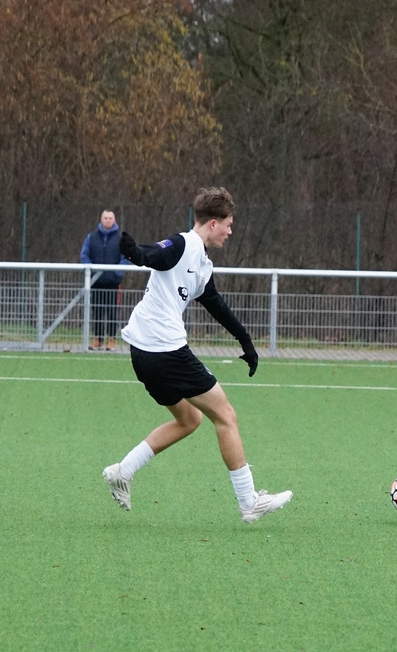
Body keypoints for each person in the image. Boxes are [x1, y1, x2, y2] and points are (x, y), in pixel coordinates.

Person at [102, 187, 292, 524]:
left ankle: (122, 471)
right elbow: (154, 254)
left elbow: (216, 304)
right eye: (228, 225)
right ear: (213, 223)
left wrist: (245, 341)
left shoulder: (202, 264)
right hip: (165, 351)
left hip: (144, 353)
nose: (230, 231)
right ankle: (249, 501)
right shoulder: (183, 244)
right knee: (226, 416)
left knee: (189, 420)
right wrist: (135, 253)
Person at [80, 209, 126, 350]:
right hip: (96, 281)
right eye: (105, 218)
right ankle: (98, 339)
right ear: (101, 219)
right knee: (97, 311)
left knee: (112, 312)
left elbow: (126, 257)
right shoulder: (91, 237)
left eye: (110, 218)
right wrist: (91, 271)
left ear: (114, 220)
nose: (108, 220)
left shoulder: (121, 238)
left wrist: (117, 272)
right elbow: (84, 255)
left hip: (113, 282)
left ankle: (111, 340)